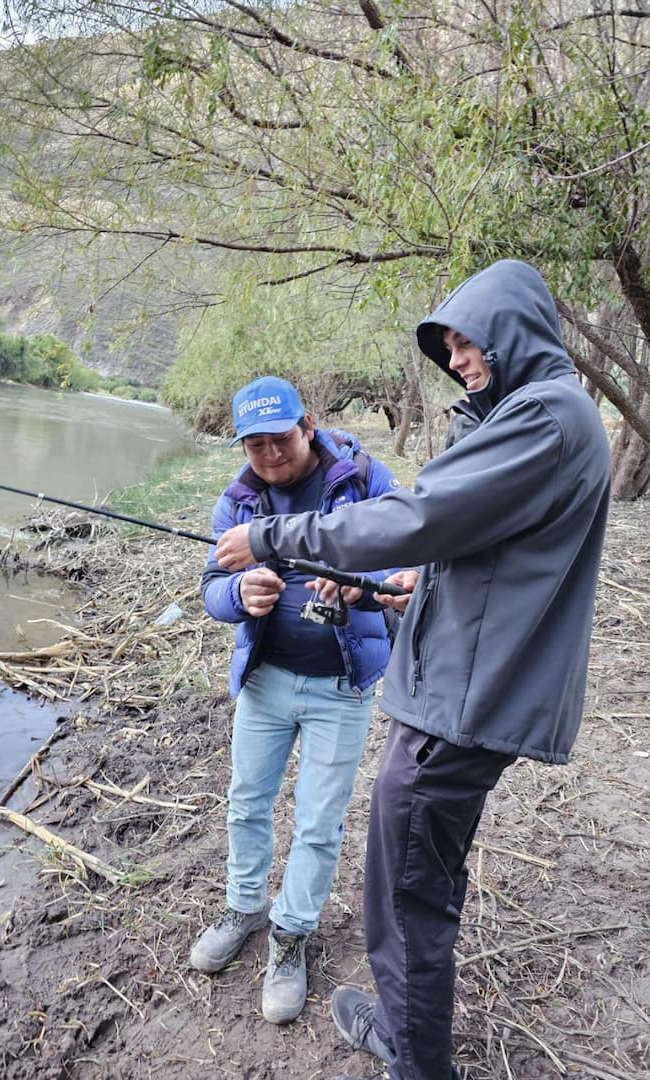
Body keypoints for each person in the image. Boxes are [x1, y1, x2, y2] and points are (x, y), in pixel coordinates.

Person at [214, 261, 611, 1080]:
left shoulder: (546, 417)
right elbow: (482, 548)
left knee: (406, 898)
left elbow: (421, 515)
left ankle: (414, 1059)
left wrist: (277, 540)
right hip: (465, 688)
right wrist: (410, 585)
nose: (460, 361)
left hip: (462, 704)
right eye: (451, 349)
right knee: (417, 880)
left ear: (514, 333)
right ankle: (405, 1026)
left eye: (470, 344)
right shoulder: (550, 417)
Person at [189, 375, 414, 1026]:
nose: (270, 456)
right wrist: (238, 598)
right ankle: (243, 907)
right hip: (264, 681)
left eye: (280, 439)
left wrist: (361, 585)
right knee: (246, 804)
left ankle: (290, 937)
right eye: (254, 445)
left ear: (308, 425)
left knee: (318, 821)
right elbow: (210, 587)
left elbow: (409, 562)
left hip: (342, 688)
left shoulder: (365, 479)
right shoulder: (239, 499)